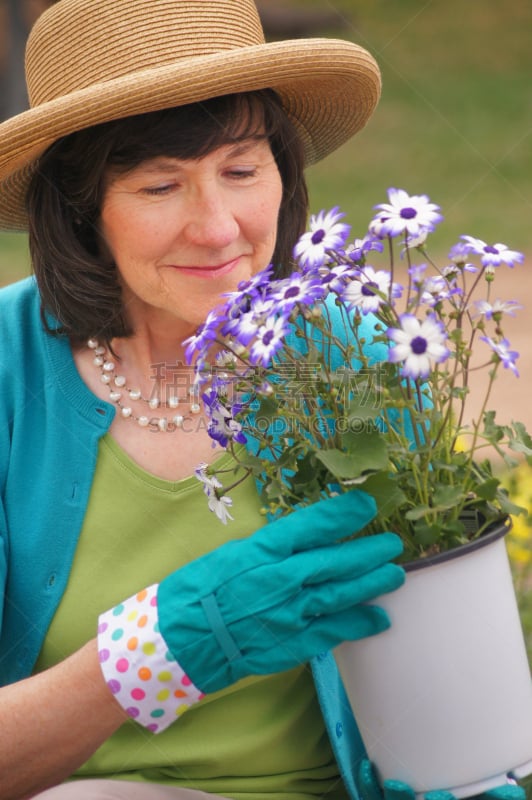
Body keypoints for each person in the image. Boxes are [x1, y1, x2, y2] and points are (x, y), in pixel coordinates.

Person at [0, 2, 525, 800]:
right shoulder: (10, 372)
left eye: (242, 171)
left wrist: (471, 769)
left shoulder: (348, 356)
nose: (219, 229)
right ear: (79, 209)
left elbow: (438, 645)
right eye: (160, 185)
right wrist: (155, 654)